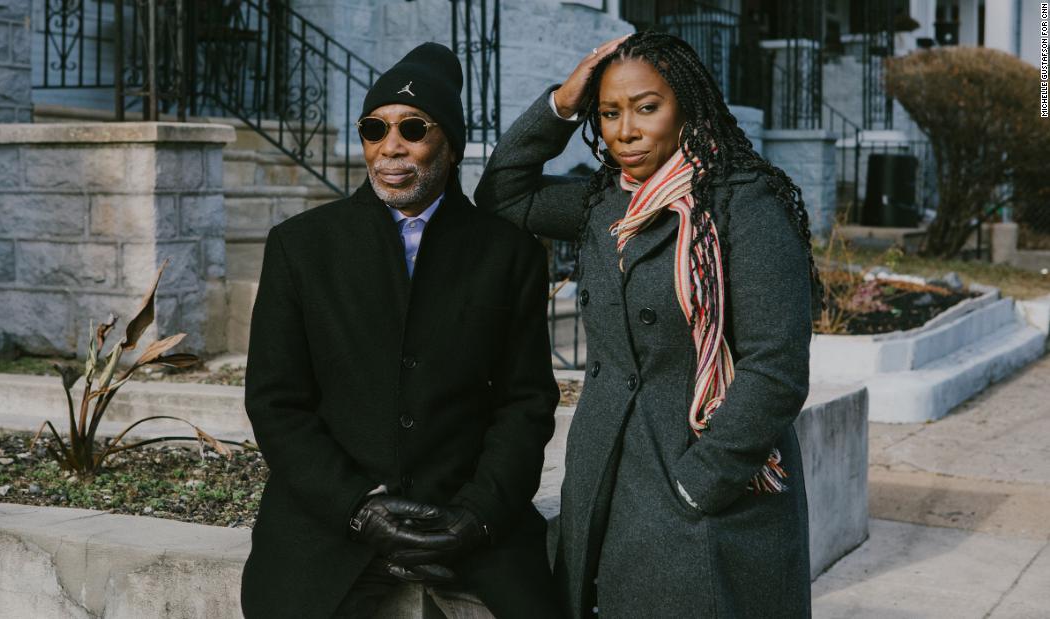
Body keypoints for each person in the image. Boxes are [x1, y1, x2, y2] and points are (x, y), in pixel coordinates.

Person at [474, 31, 820, 618]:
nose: (625, 130)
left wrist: (699, 484)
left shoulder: (745, 201)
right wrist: (561, 103)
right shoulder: (605, 205)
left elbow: (776, 367)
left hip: (705, 488)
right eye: (609, 113)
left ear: (685, 105)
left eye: (646, 107)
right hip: (608, 475)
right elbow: (503, 194)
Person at [241, 42, 561, 619]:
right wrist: (359, 509)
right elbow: (276, 402)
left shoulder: (508, 254)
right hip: (329, 524)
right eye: (374, 129)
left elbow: (527, 401)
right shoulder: (300, 246)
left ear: (452, 145)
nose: (391, 147)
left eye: (414, 128)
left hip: (468, 518)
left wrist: (478, 513)